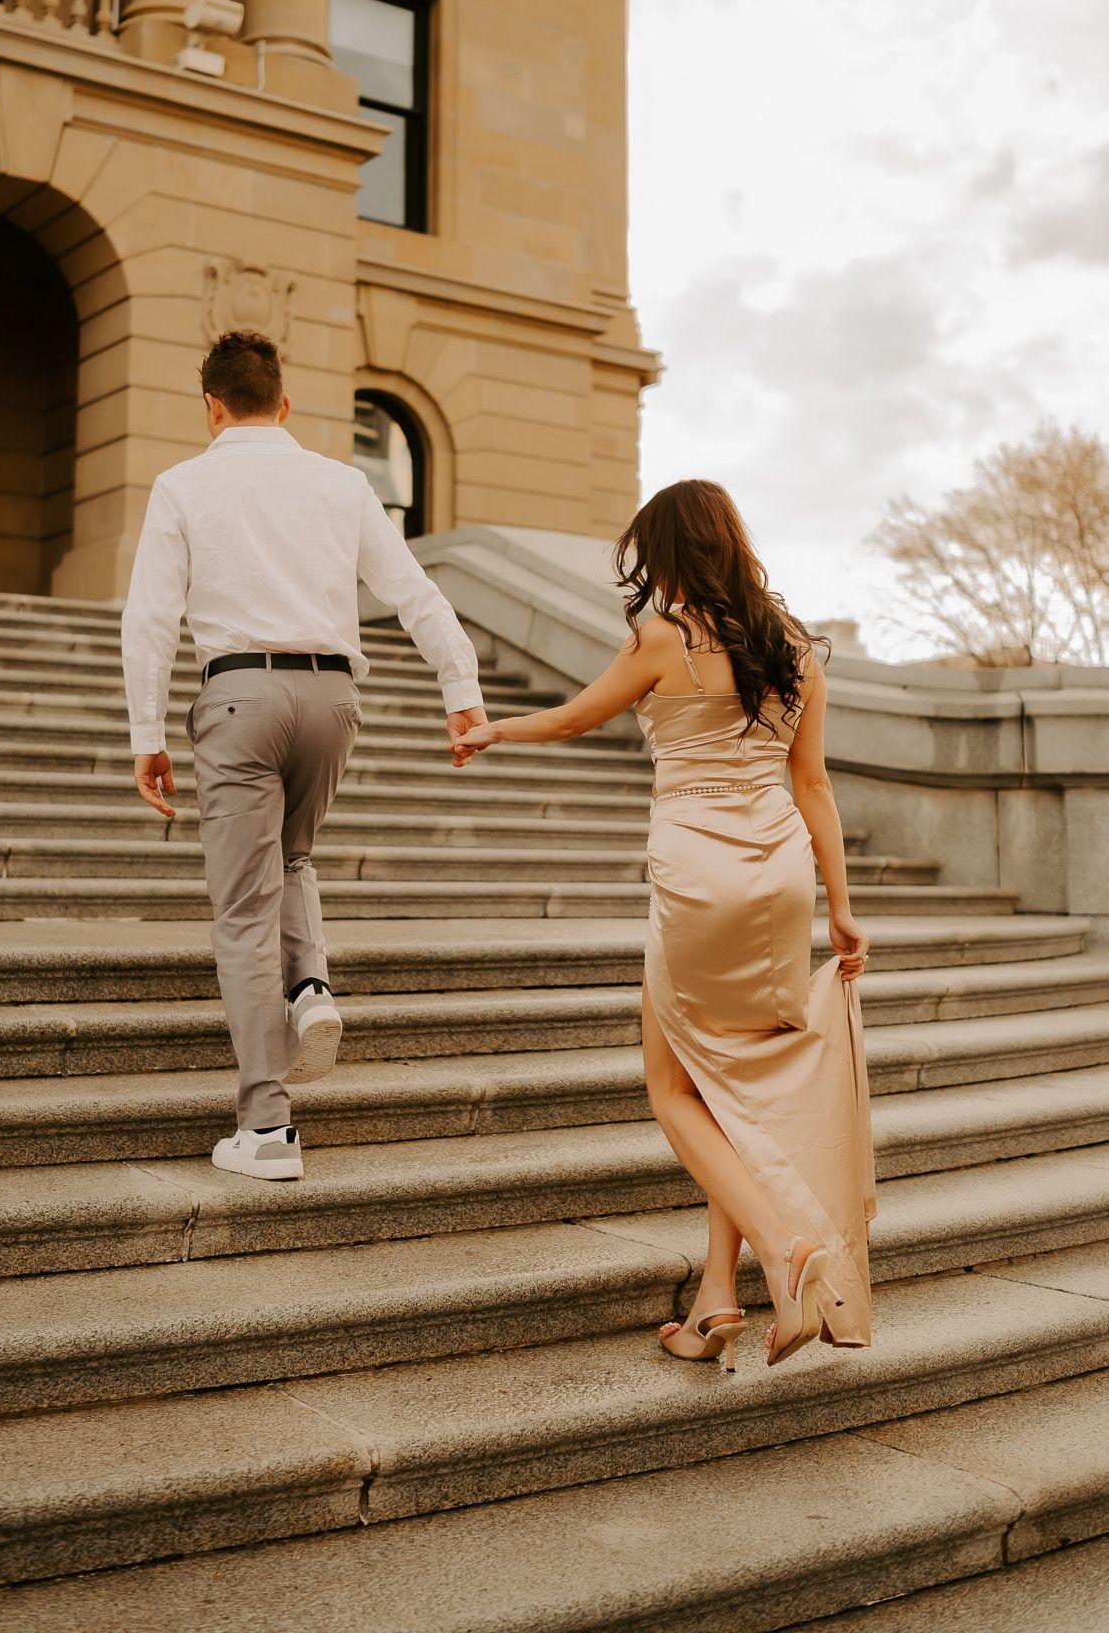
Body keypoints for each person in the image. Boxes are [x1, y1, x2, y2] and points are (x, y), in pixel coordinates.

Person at [455, 479, 876, 1366]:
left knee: (673, 1089)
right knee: (730, 1087)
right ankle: (712, 1306)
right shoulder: (795, 651)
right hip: (780, 882)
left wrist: (494, 732)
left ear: (672, 554)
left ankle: (782, 1248)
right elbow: (815, 788)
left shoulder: (663, 638)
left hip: (696, 881)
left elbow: (576, 718)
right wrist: (839, 908)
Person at [122, 331, 486, 1181]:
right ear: (282, 405)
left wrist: (146, 738)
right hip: (333, 700)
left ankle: (267, 1128)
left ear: (211, 407)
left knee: (242, 909)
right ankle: (309, 989)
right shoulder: (342, 482)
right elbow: (412, 591)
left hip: (240, 694)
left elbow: (149, 621)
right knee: (293, 854)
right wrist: (459, 688)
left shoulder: (182, 485)